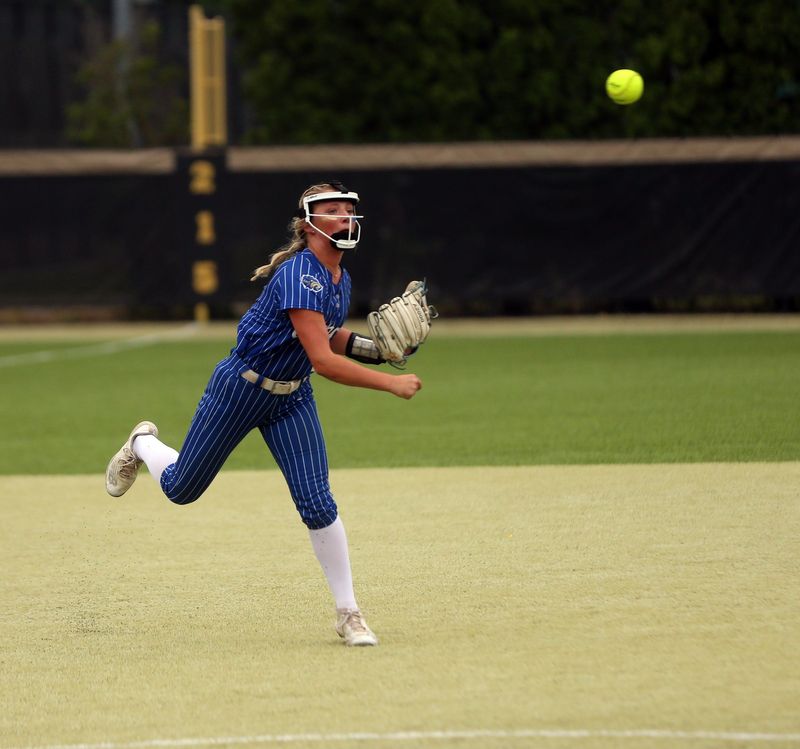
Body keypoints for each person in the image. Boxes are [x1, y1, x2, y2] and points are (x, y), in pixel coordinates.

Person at [105, 181, 422, 647]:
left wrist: (381, 351)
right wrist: (390, 383)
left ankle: (348, 613)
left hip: (290, 399)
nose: (344, 219)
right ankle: (141, 443)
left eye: (348, 211)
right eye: (332, 211)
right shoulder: (299, 273)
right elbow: (324, 360)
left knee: (317, 502)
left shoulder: (340, 278)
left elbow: (330, 336)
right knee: (180, 489)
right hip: (240, 389)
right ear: (310, 224)